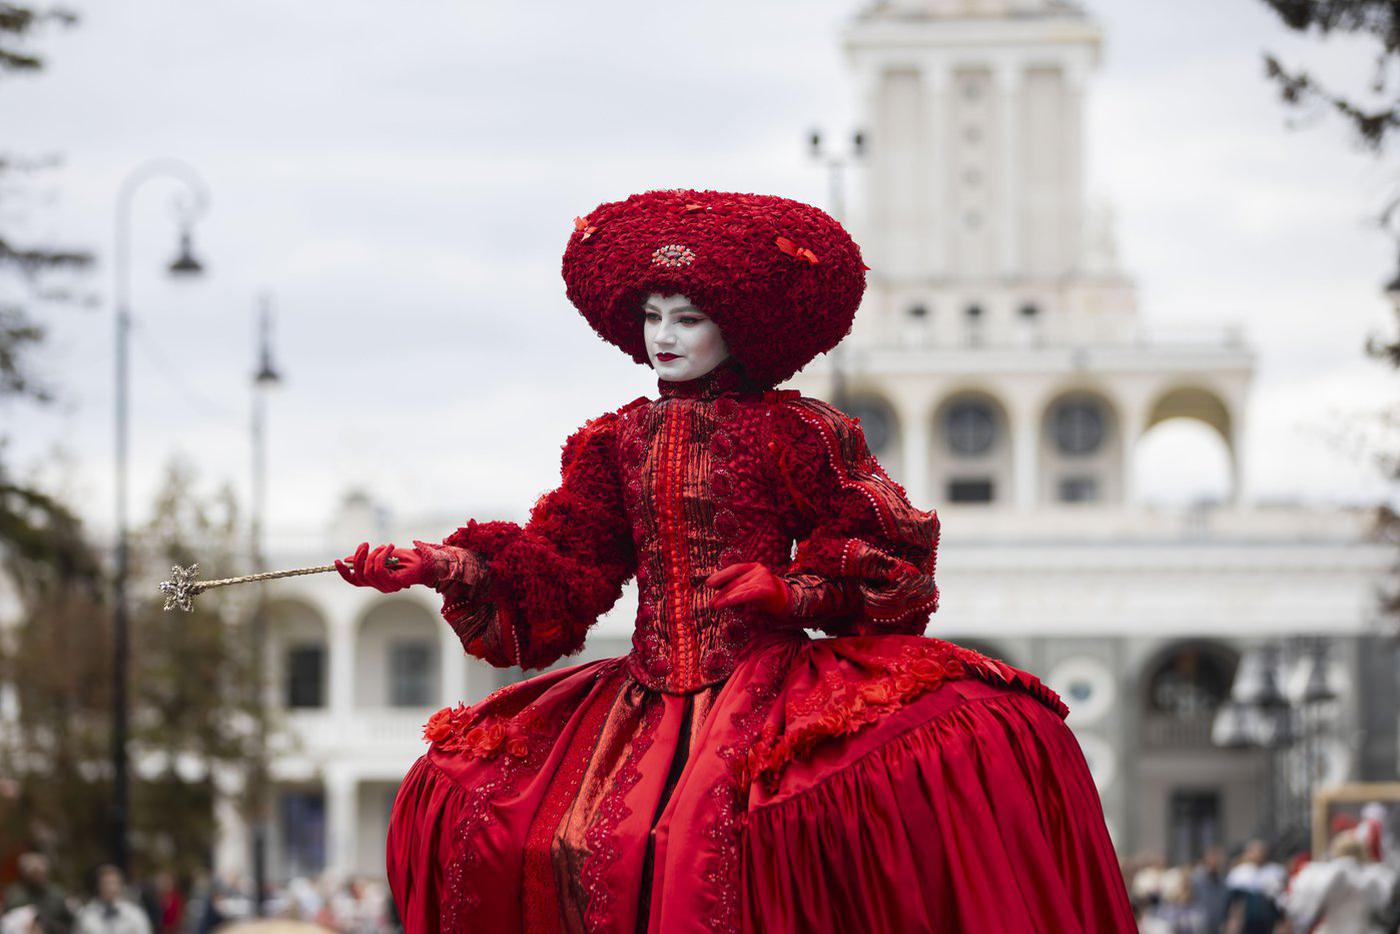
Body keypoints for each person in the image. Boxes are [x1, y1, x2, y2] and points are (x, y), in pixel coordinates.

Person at [340, 189, 1135, 932]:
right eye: (653, 317)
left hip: (765, 685)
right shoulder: (613, 444)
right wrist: (441, 566)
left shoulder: (795, 432)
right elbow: (563, 570)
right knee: (513, 816)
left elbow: (890, 550)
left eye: (688, 318)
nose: (664, 337)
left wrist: (792, 592)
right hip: (640, 698)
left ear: (735, 329)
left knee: (811, 818)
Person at [2, 854, 73, 934]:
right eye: (34, 873)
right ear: (25, 875)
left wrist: (49, 927)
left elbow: (69, 921)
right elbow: (8, 922)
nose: (38, 877)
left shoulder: (56, 894)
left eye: (40, 872)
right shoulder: (15, 896)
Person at [72, 867, 149, 934]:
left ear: (121, 885)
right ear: (98, 886)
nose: (111, 888)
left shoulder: (135, 914)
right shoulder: (86, 915)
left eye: (114, 883)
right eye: (106, 883)